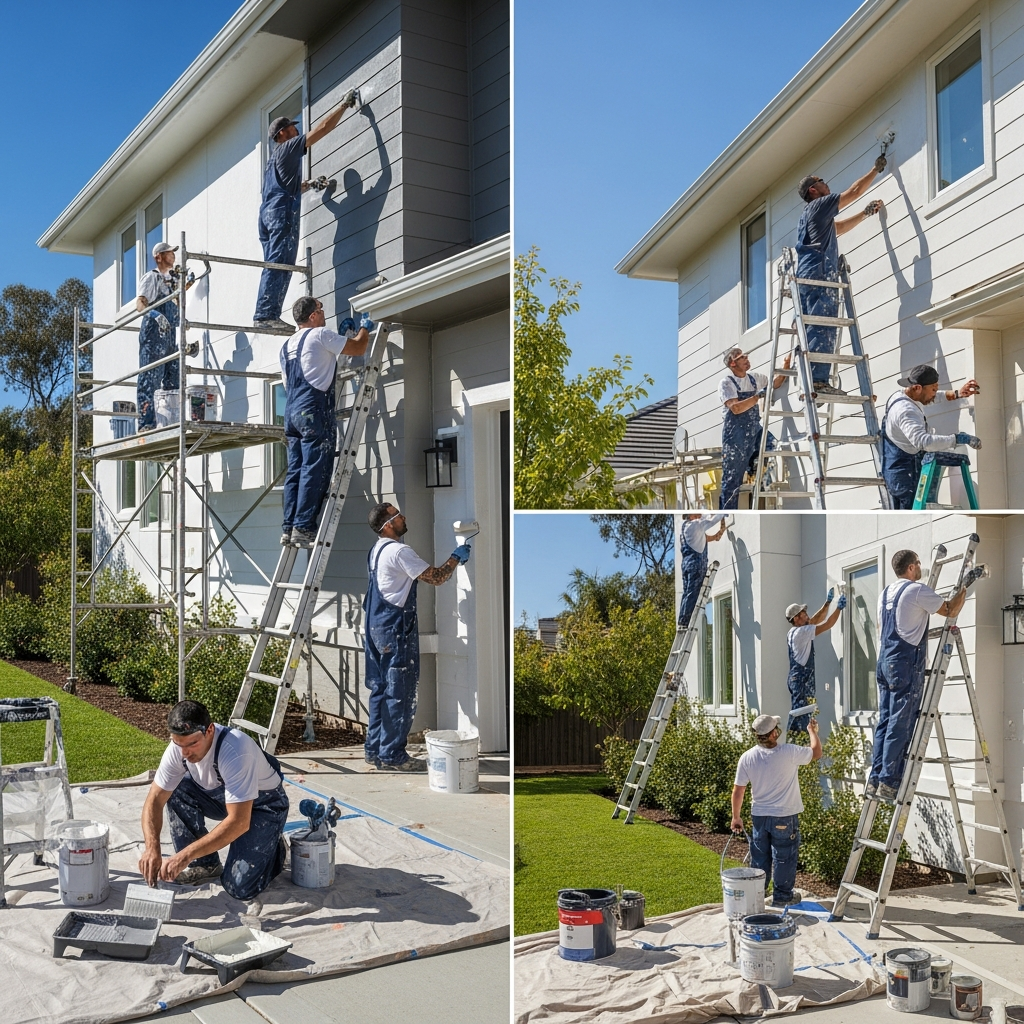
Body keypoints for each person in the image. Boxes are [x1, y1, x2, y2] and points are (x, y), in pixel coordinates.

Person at [139, 700, 289, 910]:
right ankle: (206, 865)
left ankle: (275, 847)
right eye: (178, 744)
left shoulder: (235, 750)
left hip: (263, 806)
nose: (185, 753)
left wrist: (185, 855)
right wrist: (152, 847)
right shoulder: (179, 749)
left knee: (239, 887)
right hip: (224, 799)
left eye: (192, 744)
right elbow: (154, 799)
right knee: (175, 788)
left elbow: (238, 822)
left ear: (210, 730)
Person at [363, 503, 471, 771]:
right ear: (388, 525)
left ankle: (374, 750)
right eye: (399, 516)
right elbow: (436, 577)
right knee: (399, 693)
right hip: (395, 632)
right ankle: (392, 756)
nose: (405, 518)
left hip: (375, 628)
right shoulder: (400, 551)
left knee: (380, 692)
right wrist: (456, 557)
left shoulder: (376, 550)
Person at [253, 89, 359, 332]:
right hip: (281, 214)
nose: (296, 130)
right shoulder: (288, 147)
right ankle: (265, 315)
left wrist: (309, 185)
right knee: (281, 262)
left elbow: (285, 189)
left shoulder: (272, 161)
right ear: (282, 134)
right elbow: (322, 128)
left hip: (267, 214)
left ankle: (266, 312)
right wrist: (343, 106)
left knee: (274, 262)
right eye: (292, 127)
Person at [868, 549, 967, 803]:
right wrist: (966, 585)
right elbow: (949, 610)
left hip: (884, 662)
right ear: (911, 568)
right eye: (918, 564)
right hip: (903, 664)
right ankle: (889, 782)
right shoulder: (916, 590)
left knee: (885, 722)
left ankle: (875, 779)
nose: (920, 567)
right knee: (899, 724)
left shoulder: (885, 594)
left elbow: (883, 628)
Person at [280, 295, 371, 548]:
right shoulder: (320, 335)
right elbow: (359, 348)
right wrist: (365, 326)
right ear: (312, 316)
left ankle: (288, 527)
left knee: (296, 469)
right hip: (313, 411)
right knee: (315, 467)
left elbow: (301, 376)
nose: (323, 313)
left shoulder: (286, 346)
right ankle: (304, 526)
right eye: (320, 309)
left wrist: (337, 342)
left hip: (292, 413)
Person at [795, 157, 886, 396]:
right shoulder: (820, 204)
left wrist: (865, 214)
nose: (827, 184)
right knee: (823, 326)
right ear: (813, 190)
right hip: (819, 274)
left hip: (808, 275)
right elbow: (854, 191)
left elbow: (839, 229)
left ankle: (812, 379)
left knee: (814, 325)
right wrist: (875, 169)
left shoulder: (809, 216)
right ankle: (817, 382)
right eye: (822, 181)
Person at [731, 713, 822, 907]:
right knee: (784, 857)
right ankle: (782, 897)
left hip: (759, 817)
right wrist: (812, 732)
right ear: (773, 734)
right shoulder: (789, 752)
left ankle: (756, 896)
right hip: (784, 817)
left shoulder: (747, 757)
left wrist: (736, 817)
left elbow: (738, 791)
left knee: (760, 857)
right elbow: (816, 753)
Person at [881, 364, 982, 510]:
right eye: (933, 389)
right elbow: (924, 442)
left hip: (902, 459)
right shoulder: (905, 411)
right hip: (902, 472)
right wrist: (957, 439)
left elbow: (930, 398)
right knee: (910, 511)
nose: (935, 393)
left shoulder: (903, 395)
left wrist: (957, 394)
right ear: (918, 388)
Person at [719, 348, 790, 510]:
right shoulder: (726, 383)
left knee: (773, 450)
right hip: (735, 435)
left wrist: (785, 366)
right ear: (732, 363)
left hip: (755, 430)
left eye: (746, 355)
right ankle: (728, 514)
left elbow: (775, 383)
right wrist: (758, 396)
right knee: (732, 479)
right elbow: (736, 408)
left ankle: (763, 490)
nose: (746, 358)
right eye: (741, 357)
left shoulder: (755, 379)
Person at [135, 241, 194, 432]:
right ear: (158, 257)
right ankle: (147, 424)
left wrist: (186, 285)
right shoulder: (151, 277)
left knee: (172, 380)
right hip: (153, 335)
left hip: (169, 337)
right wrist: (155, 315)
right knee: (150, 378)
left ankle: (170, 422)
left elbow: (175, 300)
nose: (173, 255)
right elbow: (140, 303)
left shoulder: (171, 280)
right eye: (169, 253)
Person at [785, 591, 846, 733]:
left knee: (804, 714)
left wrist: (828, 603)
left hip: (799, 678)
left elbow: (816, 620)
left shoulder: (796, 631)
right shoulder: (801, 633)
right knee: (800, 716)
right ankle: (795, 746)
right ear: (796, 618)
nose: (807, 614)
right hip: (801, 679)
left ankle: (800, 745)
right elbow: (828, 624)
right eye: (803, 613)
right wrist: (839, 608)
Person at [678, 514, 727, 629]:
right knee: (693, 594)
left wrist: (716, 536)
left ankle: (682, 621)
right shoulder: (695, 525)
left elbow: (703, 538)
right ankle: (686, 623)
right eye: (698, 513)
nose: (700, 514)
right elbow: (710, 520)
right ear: (691, 515)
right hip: (695, 565)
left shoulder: (686, 528)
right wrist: (723, 512)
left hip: (687, 565)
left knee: (687, 594)